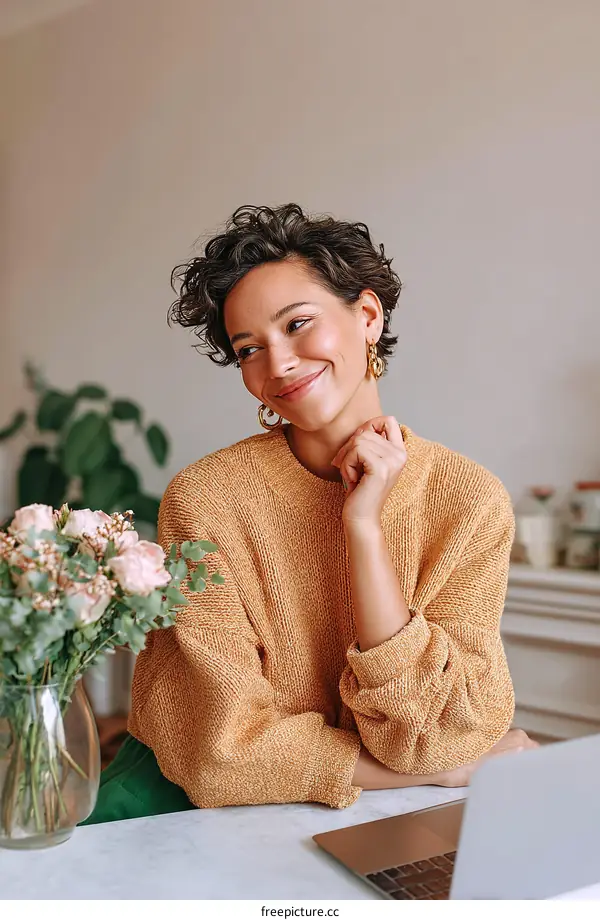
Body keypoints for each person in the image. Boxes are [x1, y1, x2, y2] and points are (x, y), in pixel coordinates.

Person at [86, 204, 535, 824]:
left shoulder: (469, 499)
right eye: (249, 350)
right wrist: (443, 773)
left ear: (368, 316)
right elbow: (220, 754)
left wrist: (364, 529)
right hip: (179, 811)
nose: (279, 365)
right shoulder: (206, 499)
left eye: (298, 324)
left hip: (373, 817)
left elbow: (439, 735)